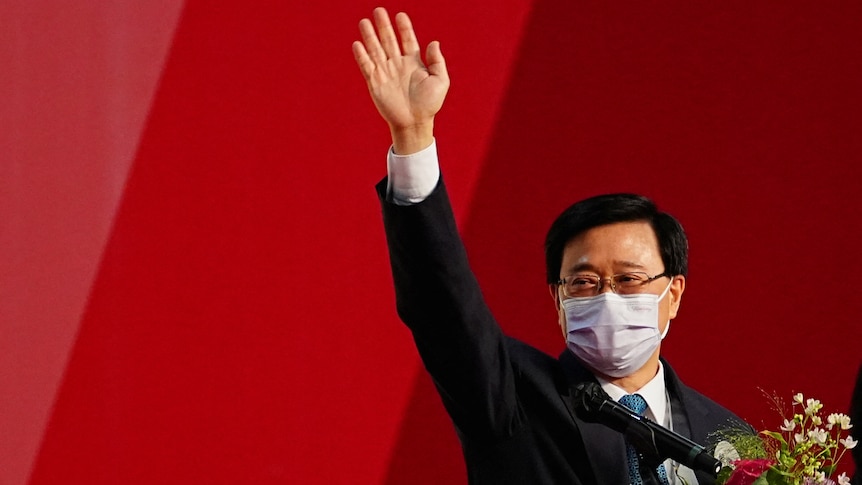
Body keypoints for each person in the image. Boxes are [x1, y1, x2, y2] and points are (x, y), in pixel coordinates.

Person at [353, 8, 746, 484]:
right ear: (557, 299)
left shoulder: (731, 439)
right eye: (584, 282)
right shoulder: (512, 396)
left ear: (674, 293)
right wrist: (413, 136)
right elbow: (442, 308)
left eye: (628, 279)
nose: (607, 297)